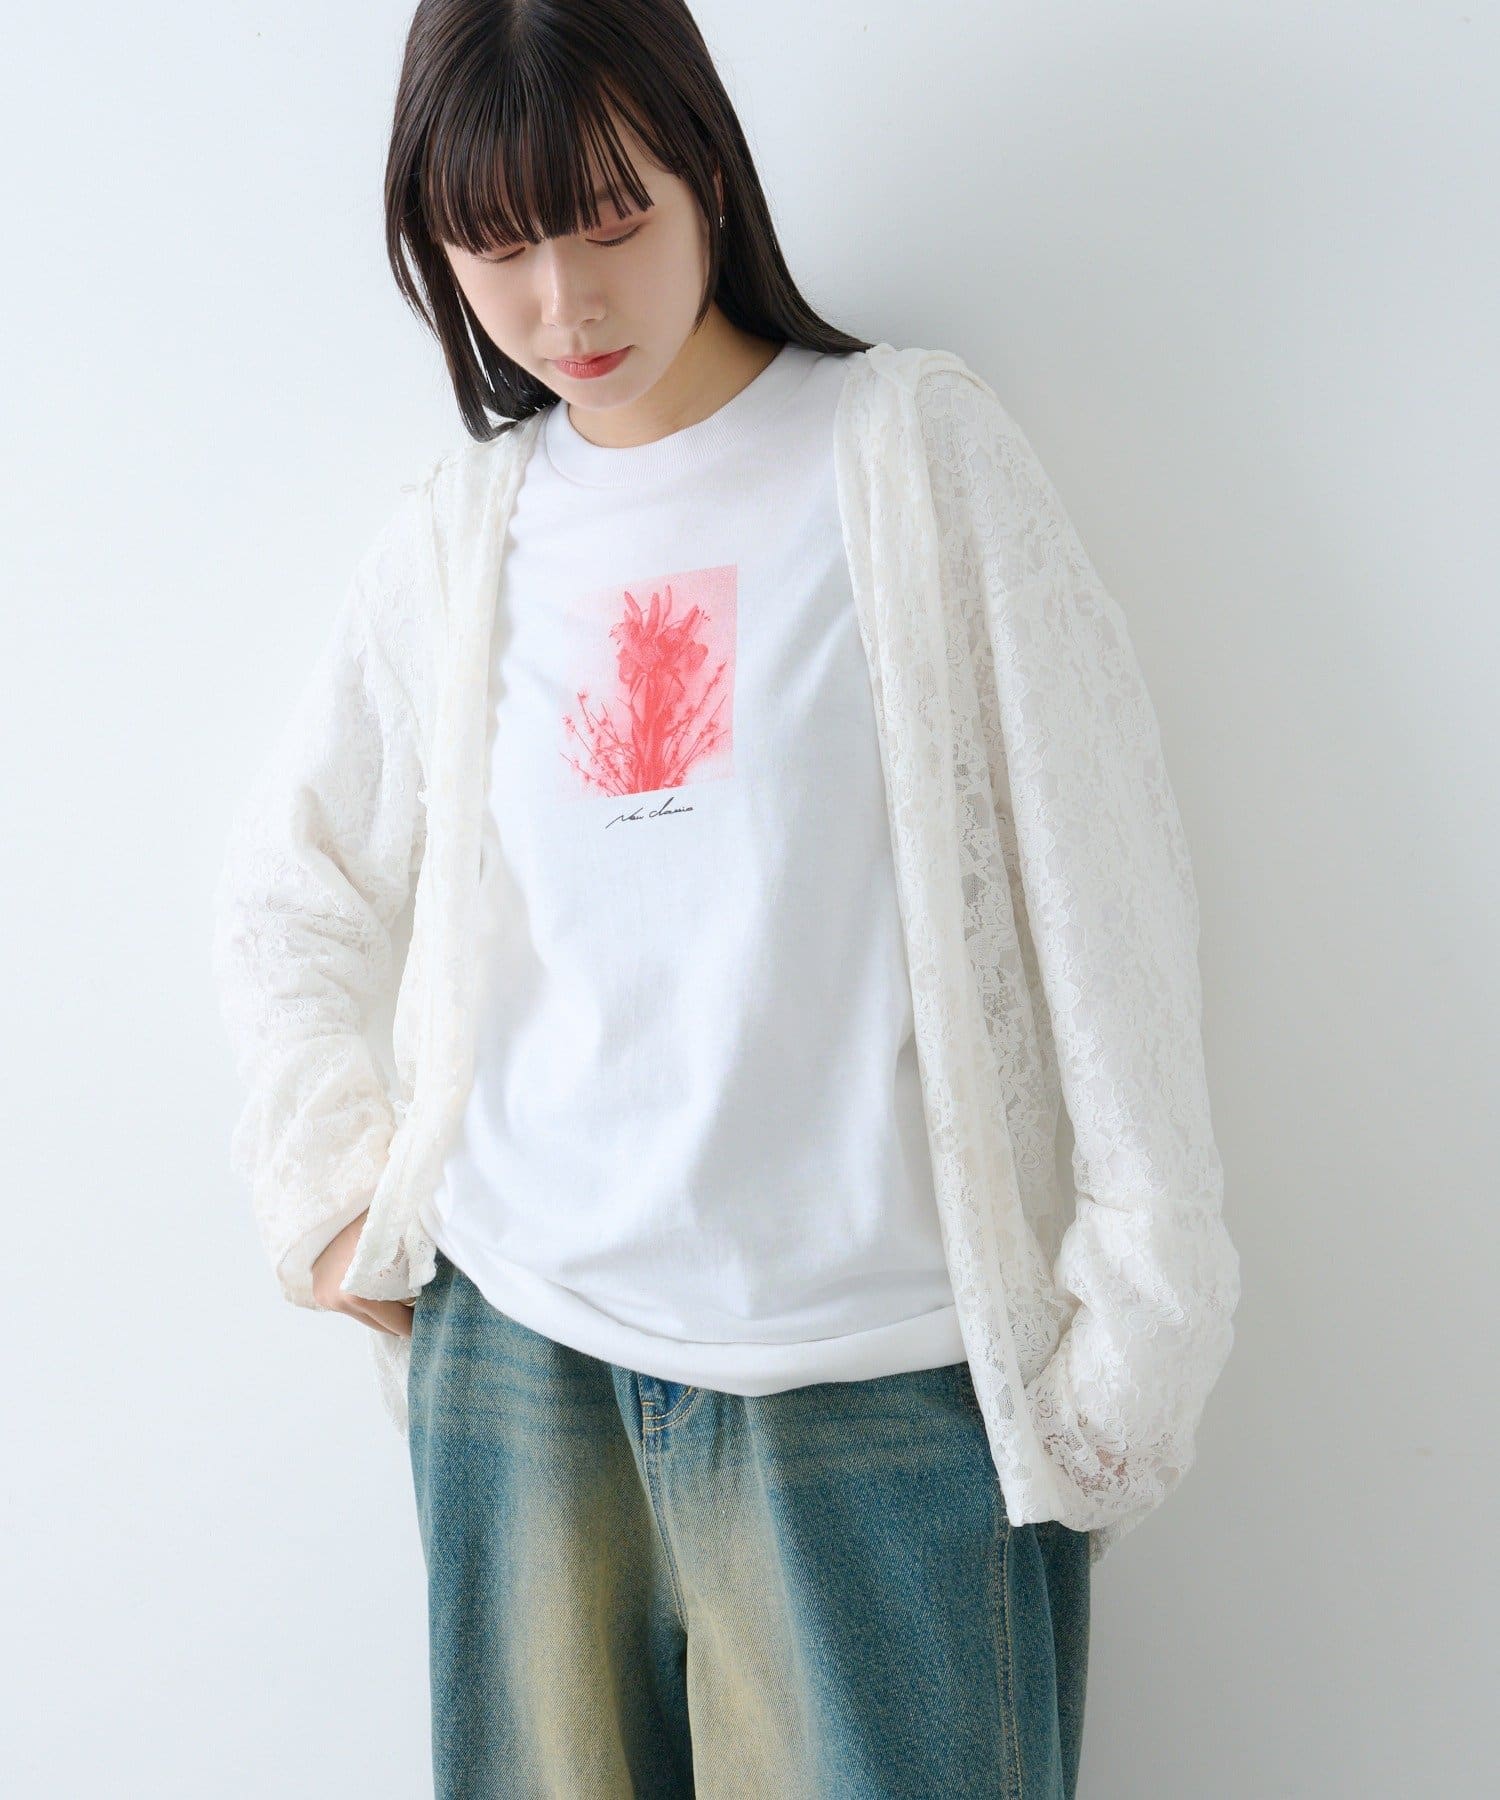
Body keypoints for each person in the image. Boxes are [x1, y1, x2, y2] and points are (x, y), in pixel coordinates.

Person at [210, 2, 1240, 1794]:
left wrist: (1138, 1325)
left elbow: (1106, 894)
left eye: (612, 220)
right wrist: (326, 1185)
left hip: (876, 1394)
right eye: (500, 249)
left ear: (707, 168)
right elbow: (292, 885)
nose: (567, 306)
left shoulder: (908, 456)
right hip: (524, 1376)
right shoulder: (465, 533)